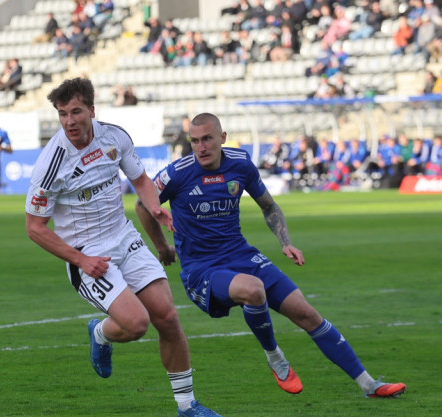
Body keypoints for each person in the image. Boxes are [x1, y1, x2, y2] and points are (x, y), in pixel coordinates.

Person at [134, 113, 406, 400]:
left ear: (222, 138)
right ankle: (276, 358)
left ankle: (369, 384)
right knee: (253, 290)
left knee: (306, 312)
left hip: (240, 254)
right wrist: (163, 247)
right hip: (202, 269)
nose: (200, 147)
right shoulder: (178, 172)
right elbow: (143, 204)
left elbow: (269, 206)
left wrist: (285, 242)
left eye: (207, 139)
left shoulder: (240, 164)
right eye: (195, 141)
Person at [24, 77, 222, 417]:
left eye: (76, 112)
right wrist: (81, 259)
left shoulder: (114, 137)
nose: (69, 121)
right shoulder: (51, 164)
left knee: (168, 317)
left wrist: (155, 207)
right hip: (87, 253)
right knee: (136, 324)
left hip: (124, 237)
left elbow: (142, 181)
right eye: (62, 114)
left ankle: (188, 405)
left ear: (91, 110)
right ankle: (100, 333)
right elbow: (34, 227)